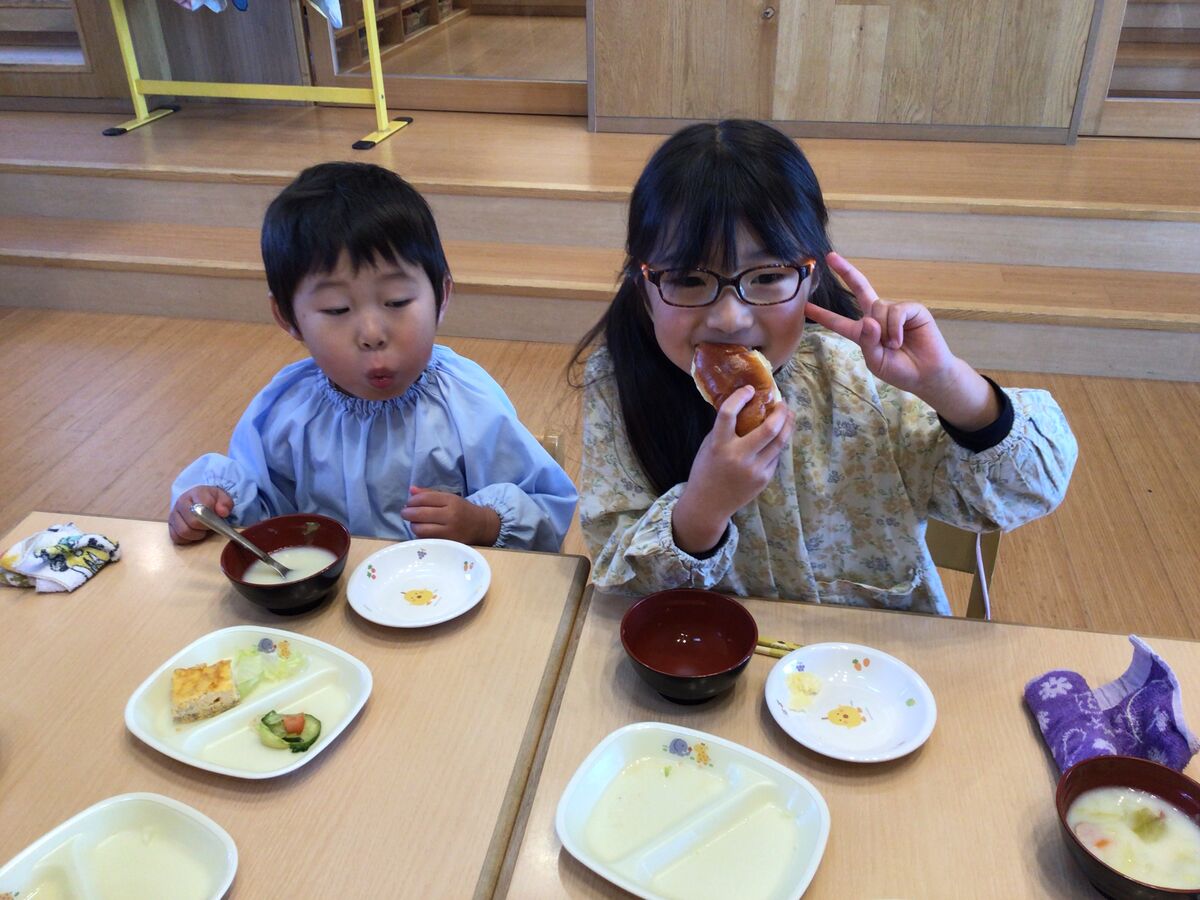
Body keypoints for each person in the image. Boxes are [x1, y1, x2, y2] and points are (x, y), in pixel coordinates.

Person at [573, 120, 1077, 615]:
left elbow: (1030, 490)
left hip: (875, 658)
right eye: (687, 280)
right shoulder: (619, 386)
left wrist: (948, 385)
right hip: (718, 655)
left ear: (812, 277)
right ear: (643, 286)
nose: (730, 317)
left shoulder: (862, 377)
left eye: (768, 276)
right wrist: (703, 509)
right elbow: (618, 587)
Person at [169, 162, 576, 552]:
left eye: (396, 301)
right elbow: (256, 514)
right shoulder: (285, 413)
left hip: (444, 589)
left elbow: (546, 513)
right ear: (287, 317)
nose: (372, 334)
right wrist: (211, 504)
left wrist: (483, 523)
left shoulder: (467, 404)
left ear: (442, 295)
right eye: (336, 309)